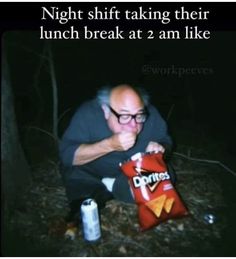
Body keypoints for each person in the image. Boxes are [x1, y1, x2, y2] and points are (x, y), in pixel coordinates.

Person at [59, 84, 175, 224]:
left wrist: (161, 148)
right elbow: (67, 154)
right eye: (125, 116)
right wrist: (108, 145)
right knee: (74, 173)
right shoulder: (88, 114)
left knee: (167, 175)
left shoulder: (151, 114)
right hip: (94, 170)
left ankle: (111, 187)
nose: (133, 125)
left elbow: (166, 141)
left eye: (139, 116)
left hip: (132, 174)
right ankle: (97, 192)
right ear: (106, 111)